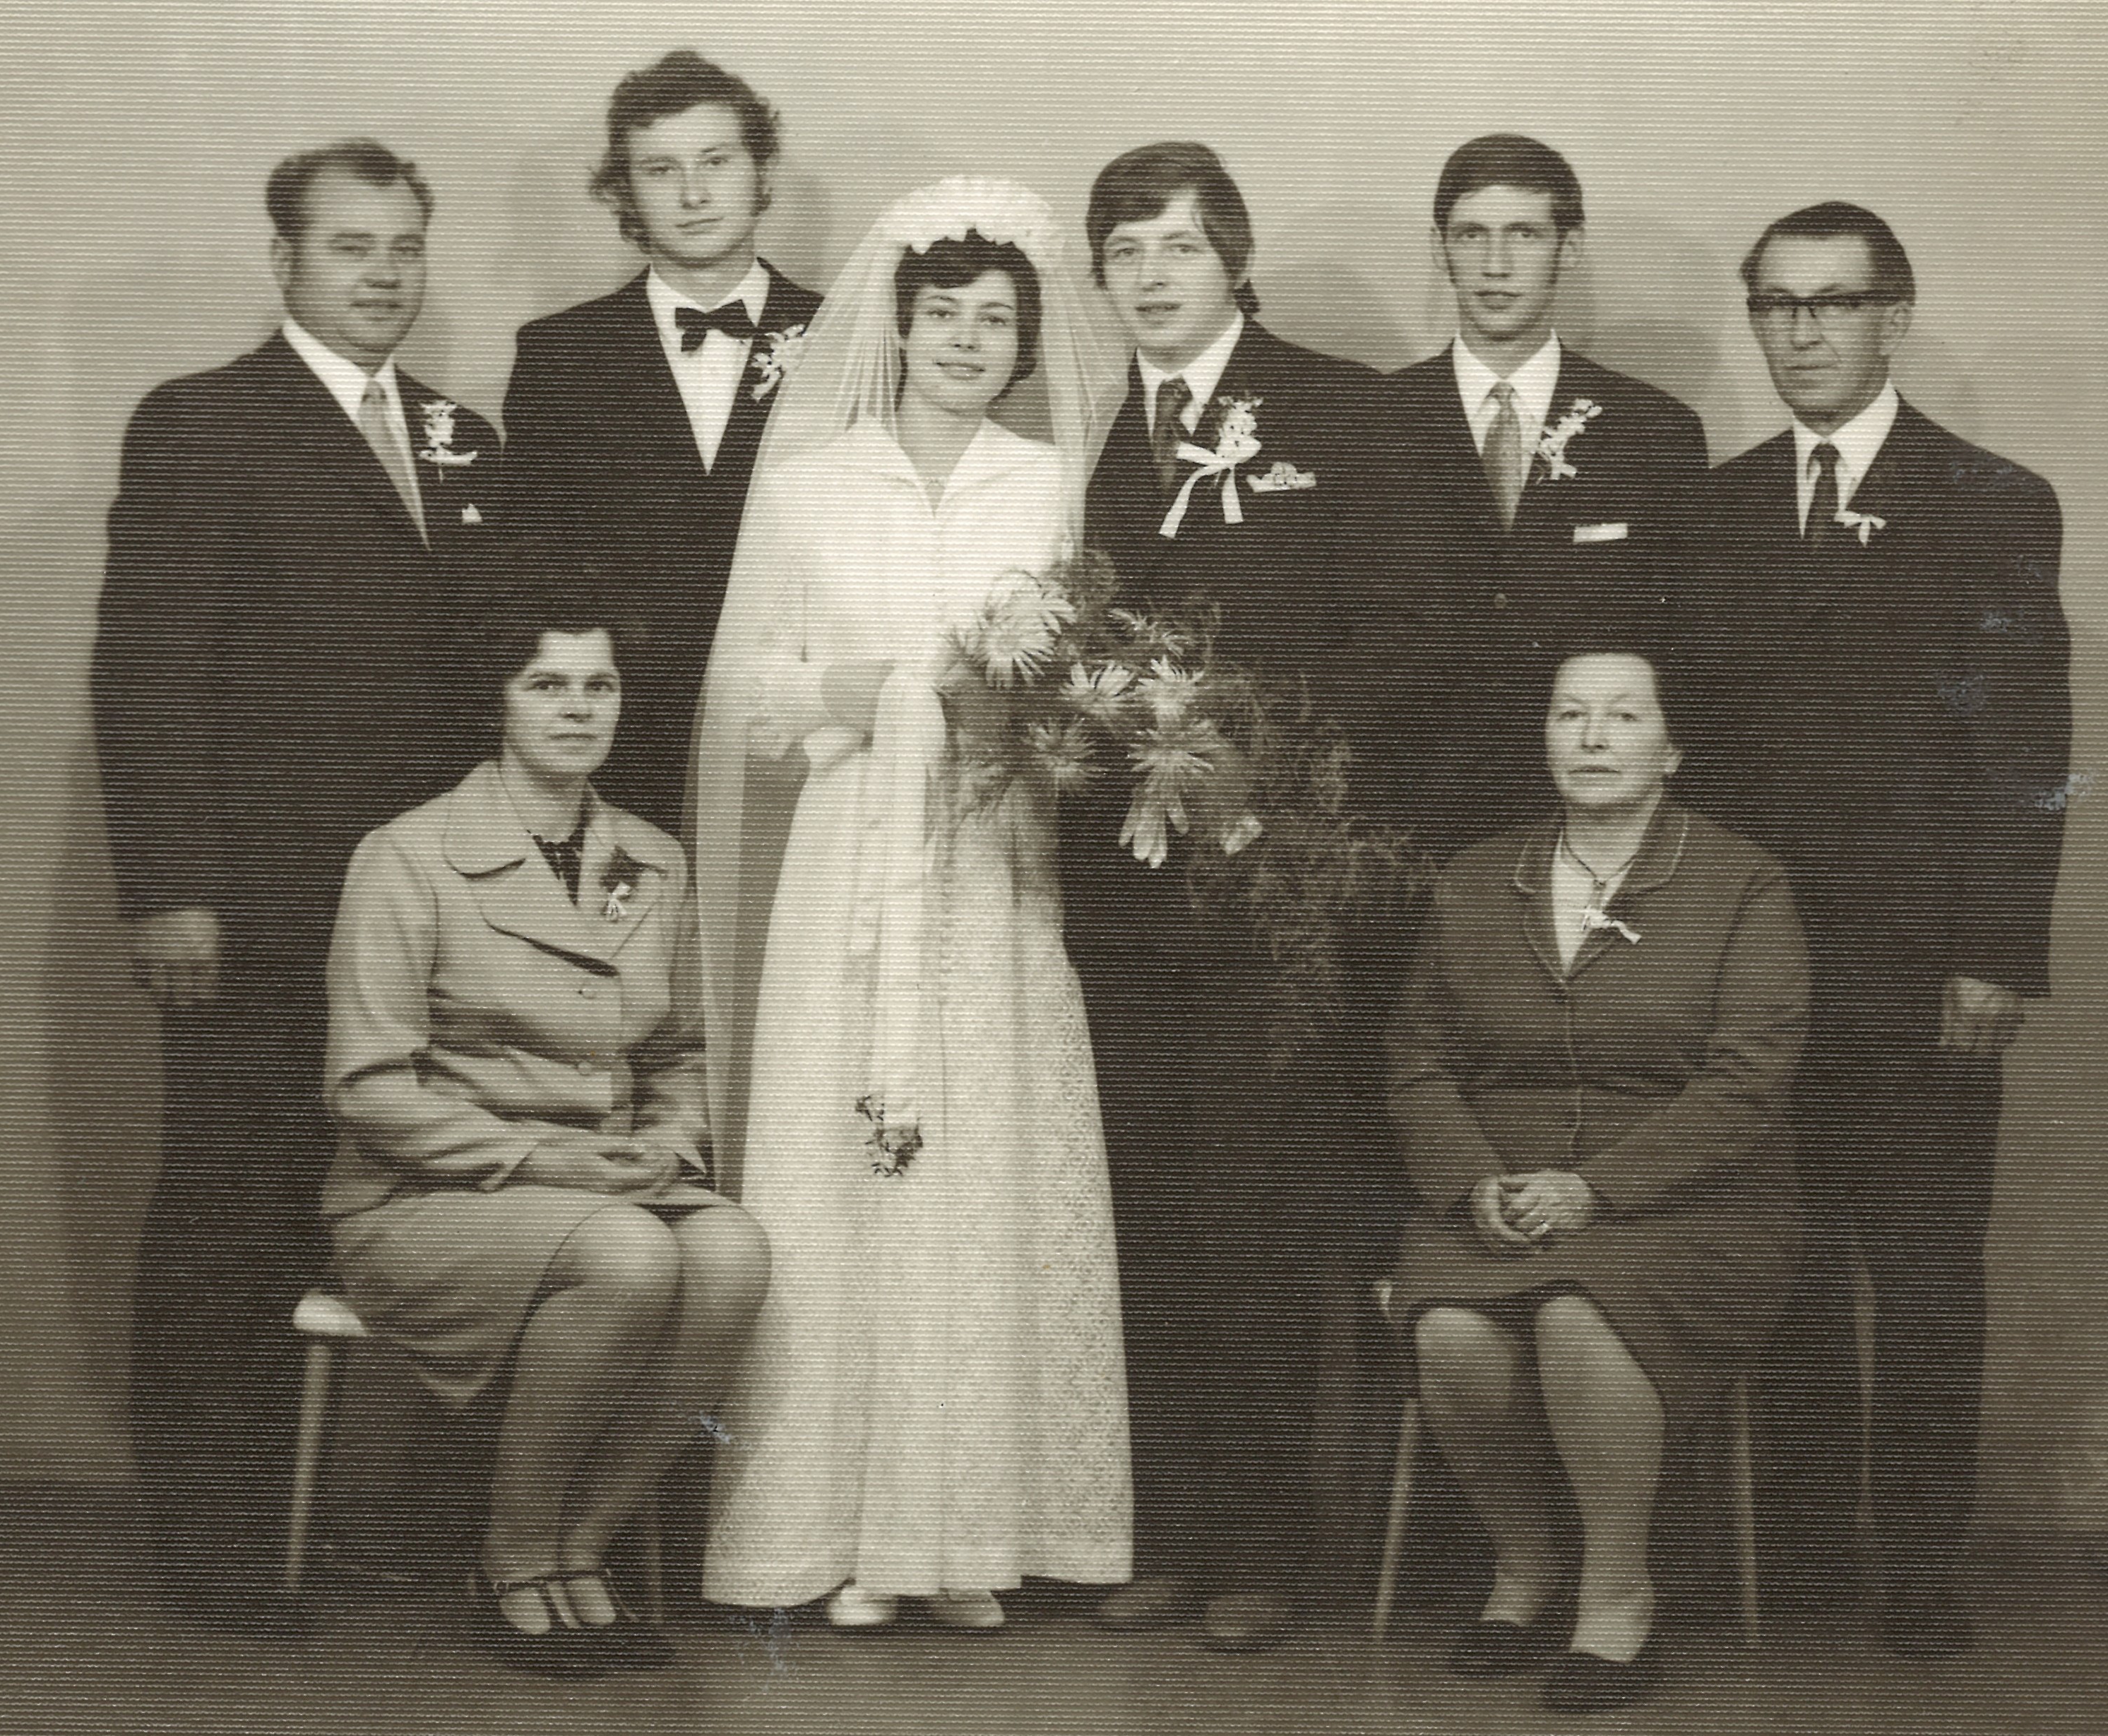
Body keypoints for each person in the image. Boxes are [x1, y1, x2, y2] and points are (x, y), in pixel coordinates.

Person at [693, 178, 1132, 1629]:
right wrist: (878, 690)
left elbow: (1094, 685)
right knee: (851, 1166)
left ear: (1027, 342)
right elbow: (746, 694)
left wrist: (1011, 712)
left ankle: (966, 1533)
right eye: (941, 312)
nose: (965, 339)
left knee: (979, 1165)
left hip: (997, 861)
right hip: (849, 860)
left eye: (995, 319)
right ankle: (834, 1532)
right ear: (896, 321)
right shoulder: (813, 480)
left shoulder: (1052, 485)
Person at [89, 138, 499, 1625]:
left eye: (404, 246)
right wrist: (169, 889)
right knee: (236, 1208)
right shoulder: (201, 421)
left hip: (431, 916)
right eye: (350, 246)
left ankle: (376, 1523)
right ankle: (215, 1544)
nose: (384, 273)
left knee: (410, 1207)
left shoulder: (463, 439)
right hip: (253, 910)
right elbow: (145, 670)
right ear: (284, 262)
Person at [1684, 202, 2071, 1655]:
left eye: (1831, 304)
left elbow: (2027, 748)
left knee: (1921, 1273)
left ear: (1891, 319)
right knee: (1780, 1260)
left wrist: (1993, 955)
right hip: (1757, 967)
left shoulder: (1991, 500)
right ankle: (1797, 1553)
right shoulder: (1715, 508)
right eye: (1776, 306)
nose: (1801, 333)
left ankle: (1915, 1560)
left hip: (1922, 969)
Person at [1070, 141, 1400, 1652]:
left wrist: (1265, 766)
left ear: (1235, 260)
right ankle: (1168, 1533)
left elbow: (1403, 640)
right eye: (1124, 253)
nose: (1151, 277)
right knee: (1140, 1212)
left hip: (1275, 897)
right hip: (1113, 899)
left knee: (1254, 1218)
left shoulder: (1338, 409)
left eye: (1179, 248)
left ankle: (1261, 1546)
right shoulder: (1077, 428)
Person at [323, 585, 768, 1676]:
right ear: (498, 702)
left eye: (599, 684)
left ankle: (583, 1543)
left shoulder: (651, 858)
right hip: (429, 1198)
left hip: (606, 1182)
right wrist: (541, 1157)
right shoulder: (408, 854)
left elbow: (679, 1054)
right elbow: (367, 1088)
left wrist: (670, 1142)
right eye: (546, 684)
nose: (578, 708)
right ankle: (511, 1553)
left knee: (732, 1251)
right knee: (631, 1253)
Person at [1386, 645, 1805, 1715]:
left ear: (1671, 748)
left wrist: (1596, 1189)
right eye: (1569, 714)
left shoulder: (1741, 881)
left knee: (1577, 1311)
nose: (1591, 737)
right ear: (1542, 739)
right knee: (1451, 1329)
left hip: (1691, 1202)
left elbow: (1746, 1082)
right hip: (1504, 1190)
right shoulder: (1475, 877)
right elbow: (1416, 1059)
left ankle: (1616, 1594)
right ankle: (1524, 1567)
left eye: (1622, 716)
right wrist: (1469, 1181)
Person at [501, 50, 821, 831]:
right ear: (625, 193)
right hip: (622, 756)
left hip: (810, 749)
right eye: (660, 169)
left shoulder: (848, 339)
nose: (693, 194)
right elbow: (531, 574)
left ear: (761, 172)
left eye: (716, 161)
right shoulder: (557, 355)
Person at [1377, 135, 1707, 859]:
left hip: (1592, 822)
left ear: (1570, 246)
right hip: (1399, 822)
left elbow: (1680, 647)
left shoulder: (1654, 430)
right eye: (1471, 235)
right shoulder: (1369, 423)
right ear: (1438, 248)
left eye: (1523, 234)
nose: (1494, 266)